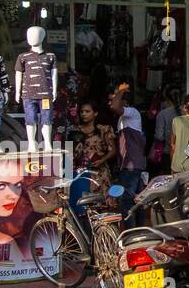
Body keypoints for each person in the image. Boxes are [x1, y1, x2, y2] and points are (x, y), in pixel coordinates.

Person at [68, 101, 116, 224]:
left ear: (95, 113)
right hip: (81, 173)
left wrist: (102, 160)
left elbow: (113, 150)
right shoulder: (74, 131)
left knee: (101, 206)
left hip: (99, 173)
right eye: (82, 112)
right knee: (82, 208)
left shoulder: (104, 130)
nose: (84, 114)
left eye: (87, 111)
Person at [109, 82, 146, 224]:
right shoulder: (124, 119)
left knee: (126, 200)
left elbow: (114, 106)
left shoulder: (132, 113)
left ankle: (131, 233)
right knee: (138, 199)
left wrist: (120, 90)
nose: (111, 101)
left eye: (115, 97)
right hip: (131, 163)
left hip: (131, 164)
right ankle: (140, 230)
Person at [151, 88, 179, 173]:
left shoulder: (162, 114)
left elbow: (159, 136)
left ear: (166, 99)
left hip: (167, 152)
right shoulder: (184, 112)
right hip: (183, 151)